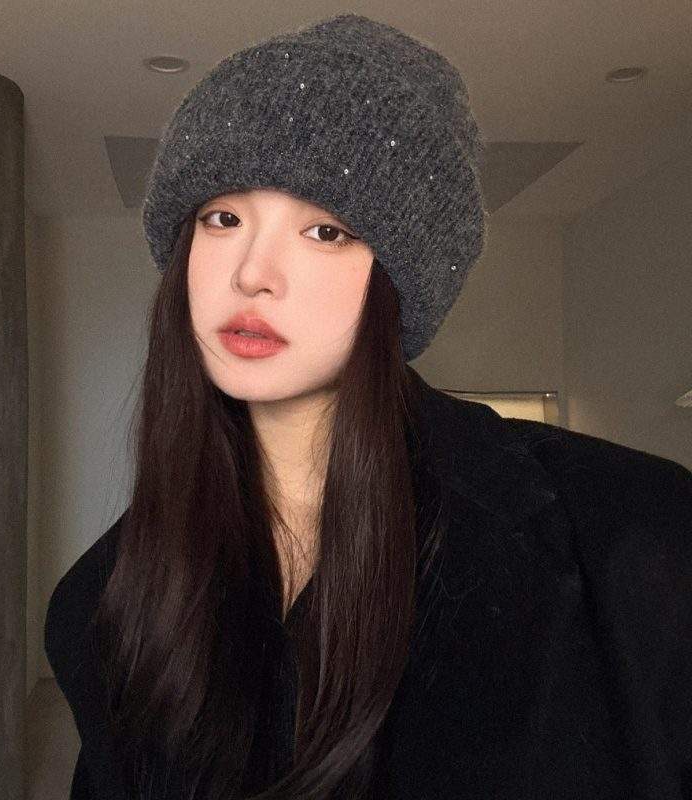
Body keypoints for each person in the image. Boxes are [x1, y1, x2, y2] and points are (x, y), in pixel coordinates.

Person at [44, 12, 692, 800]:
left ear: (401, 281)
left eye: (326, 230)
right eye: (223, 218)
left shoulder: (632, 538)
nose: (252, 273)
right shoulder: (104, 600)